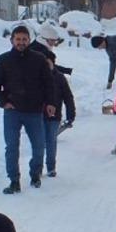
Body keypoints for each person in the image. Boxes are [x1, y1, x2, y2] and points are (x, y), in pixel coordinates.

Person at [0, 25, 56, 193]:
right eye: (18, 39)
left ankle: (35, 175)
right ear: (12, 40)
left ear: (29, 40)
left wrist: (50, 103)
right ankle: (14, 181)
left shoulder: (39, 59)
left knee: (39, 146)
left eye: (24, 39)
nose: (21, 42)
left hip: (34, 111)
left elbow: (49, 84)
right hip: (12, 111)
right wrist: (3, 102)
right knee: (11, 147)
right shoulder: (3, 60)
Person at [42, 50, 76, 178]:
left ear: (53, 63)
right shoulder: (35, 77)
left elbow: (68, 97)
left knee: (51, 141)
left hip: (54, 116)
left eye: (48, 63)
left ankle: (51, 167)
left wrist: (70, 114)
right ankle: (37, 168)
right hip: (37, 115)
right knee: (39, 143)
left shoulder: (59, 78)